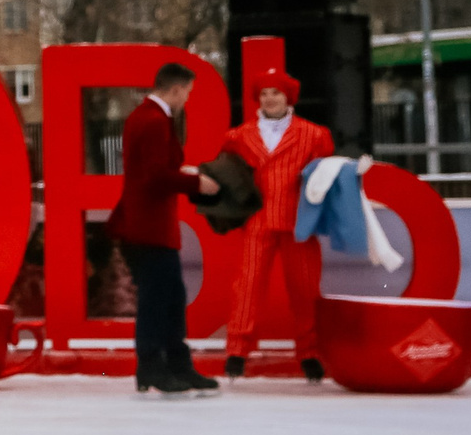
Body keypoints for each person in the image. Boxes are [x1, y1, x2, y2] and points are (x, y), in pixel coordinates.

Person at [216, 67, 347, 385]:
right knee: (247, 288)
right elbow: (228, 175)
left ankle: (310, 354)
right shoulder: (238, 136)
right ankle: (237, 352)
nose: (270, 98)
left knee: (304, 289)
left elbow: (325, 178)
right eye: (264, 93)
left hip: (299, 222)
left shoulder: (314, 135)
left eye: (276, 92)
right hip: (258, 220)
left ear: (288, 97)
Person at [104, 62, 221, 396]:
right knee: (160, 300)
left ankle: (168, 365)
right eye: (188, 92)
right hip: (149, 227)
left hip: (147, 225)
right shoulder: (155, 121)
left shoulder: (145, 117)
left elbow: (150, 170)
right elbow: (155, 177)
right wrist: (196, 182)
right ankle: (158, 365)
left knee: (168, 297)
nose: (187, 99)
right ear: (176, 89)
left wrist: (183, 172)